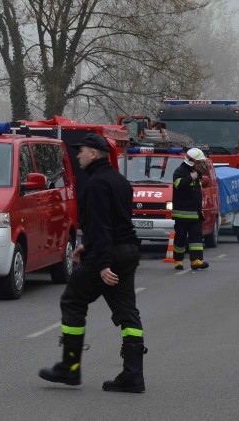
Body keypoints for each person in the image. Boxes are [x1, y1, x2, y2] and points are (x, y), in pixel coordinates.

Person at [38, 133, 146, 393]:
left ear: (94, 154)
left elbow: (100, 225)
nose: (78, 155)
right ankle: (133, 376)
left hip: (110, 255)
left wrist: (102, 264)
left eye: (81, 151)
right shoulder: (119, 181)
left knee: (73, 300)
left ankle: (70, 368)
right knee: (127, 313)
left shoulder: (96, 184)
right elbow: (116, 223)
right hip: (127, 250)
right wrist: (90, 247)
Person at [171, 147, 209, 271]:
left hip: (195, 213)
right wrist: (190, 178)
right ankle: (178, 260)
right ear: (191, 161)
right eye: (199, 162)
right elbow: (178, 185)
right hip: (182, 214)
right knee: (180, 237)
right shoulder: (179, 171)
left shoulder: (197, 172)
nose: (201, 165)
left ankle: (196, 260)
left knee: (196, 238)